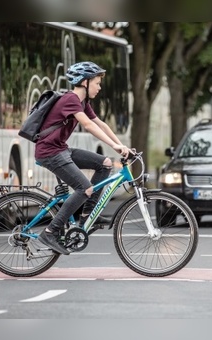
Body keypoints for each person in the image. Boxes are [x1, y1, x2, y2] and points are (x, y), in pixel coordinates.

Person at [35, 61, 131, 255]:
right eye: (97, 83)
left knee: (105, 164)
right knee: (84, 187)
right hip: (49, 152)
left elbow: (100, 124)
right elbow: (87, 125)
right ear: (85, 82)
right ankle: (50, 232)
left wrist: (121, 145)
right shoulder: (70, 99)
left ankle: (87, 214)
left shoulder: (83, 102)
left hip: (61, 149)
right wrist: (114, 146)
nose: (99, 87)